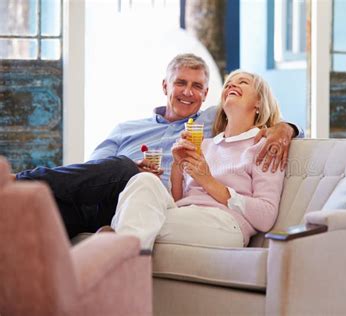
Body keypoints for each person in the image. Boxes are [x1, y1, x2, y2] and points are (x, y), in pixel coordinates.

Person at [13, 54, 302, 239]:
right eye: (181, 83)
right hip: (108, 197)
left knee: (130, 174)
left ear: (205, 94)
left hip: (159, 202)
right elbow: (90, 174)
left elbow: (262, 116)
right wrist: (127, 171)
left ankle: (18, 183)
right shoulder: (126, 129)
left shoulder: (215, 121)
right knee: (45, 214)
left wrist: (284, 129)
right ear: (165, 86)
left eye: (197, 87)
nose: (188, 92)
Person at [107, 70, 285, 249]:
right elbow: (180, 201)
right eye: (229, 83)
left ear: (259, 103)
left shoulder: (264, 147)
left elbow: (266, 216)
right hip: (187, 214)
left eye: (243, 82)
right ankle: (126, 262)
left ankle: (114, 240)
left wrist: (208, 181)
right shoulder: (204, 145)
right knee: (144, 180)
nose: (232, 85)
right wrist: (178, 166)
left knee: (141, 219)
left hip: (226, 223)